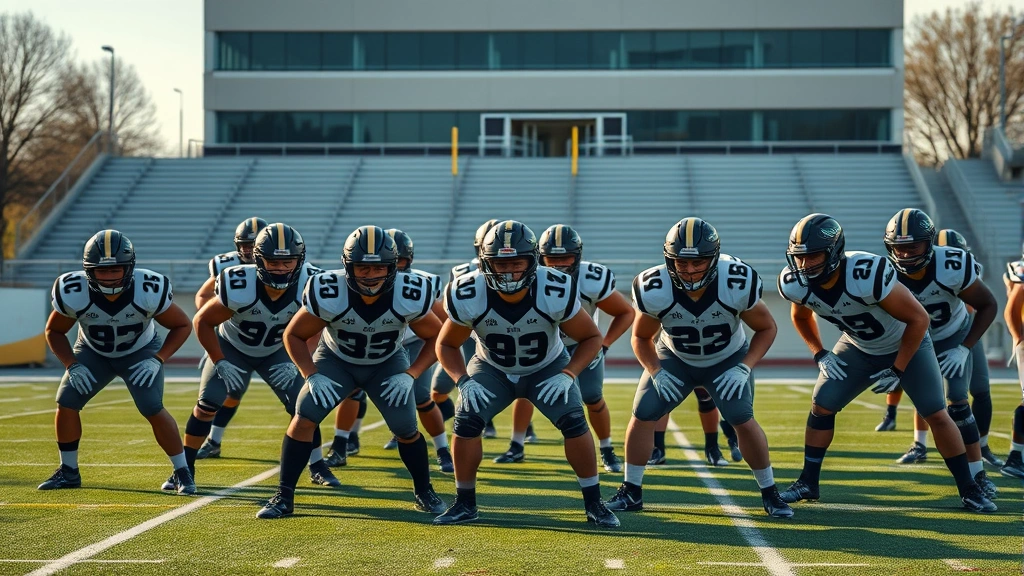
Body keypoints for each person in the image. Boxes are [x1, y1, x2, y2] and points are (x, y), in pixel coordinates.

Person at [777, 213, 995, 513]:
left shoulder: (865, 272)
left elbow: (919, 319)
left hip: (905, 343)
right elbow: (800, 316)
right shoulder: (795, 283)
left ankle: (969, 488)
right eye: (799, 257)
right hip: (858, 346)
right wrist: (820, 352)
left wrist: (898, 367)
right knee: (822, 404)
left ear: (834, 252)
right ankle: (807, 482)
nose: (805, 265)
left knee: (936, 411)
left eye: (813, 256)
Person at [432, 220, 619, 527]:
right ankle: (464, 503)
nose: (509, 272)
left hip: (547, 367)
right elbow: (446, 344)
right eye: (499, 264)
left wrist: (569, 374)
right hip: (492, 367)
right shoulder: (468, 291)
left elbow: (591, 337)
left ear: (532, 262)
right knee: (466, 421)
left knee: (574, 420)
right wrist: (462, 381)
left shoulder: (554, 288)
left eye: (517, 263)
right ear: (484, 263)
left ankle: (594, 503)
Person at [606, 218, 791, 518]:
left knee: (741, 417)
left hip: (727, 359)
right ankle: (631, 491)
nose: (690, 270)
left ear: (714, 258)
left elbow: (767, 328)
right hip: (675, 358)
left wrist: (744, 367)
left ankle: (770, 493)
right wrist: (656, 370)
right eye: (681, 263)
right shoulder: (656, 288)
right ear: (670, 260)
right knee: (643, 411)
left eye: (699, 262)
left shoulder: (736, 282)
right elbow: (640, 337)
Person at [256, 226, 446, 519]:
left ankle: (424, 491)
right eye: (362, 268)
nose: (370, 276)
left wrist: (411, 372)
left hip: (386, 363)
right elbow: (293, 335)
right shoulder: (329, 289)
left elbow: (439, 337)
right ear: (348, 266)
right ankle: (284, 496)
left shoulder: (410, 292)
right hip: (336, 360)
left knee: (406, 429)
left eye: (378, 268)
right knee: (304, 416)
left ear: (392, 267)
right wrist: (310, 373)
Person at [180, 224, 340, 490]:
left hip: (278, 351)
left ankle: (317, 465)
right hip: (233, 347)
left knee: (305, 407)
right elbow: (202, 321)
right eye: (273, 262)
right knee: (208, 403)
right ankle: (184, 469)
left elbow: (319, 325)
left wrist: (298, 360)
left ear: (299, 260)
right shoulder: (238, 282)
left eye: (287, 261)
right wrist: (218, 358)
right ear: (257, 259)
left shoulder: (311, 283)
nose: (280, 268)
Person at [41, 230, 195, 494]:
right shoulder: (74, 291)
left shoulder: (148, 289)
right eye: (102, 271)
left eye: (117, 270)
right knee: (66, 402)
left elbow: (182, 325)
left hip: (140, 351)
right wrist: (71, 363)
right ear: (88, 270)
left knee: (151, 406)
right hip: (93, 352)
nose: (110, 277)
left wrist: (158, 359)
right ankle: (68, 471)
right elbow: (53, 331)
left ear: (130, 267)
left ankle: (183, 472)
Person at [193, 216, 269, 459]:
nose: (248, 249)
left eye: (254, 244)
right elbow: (203, 295)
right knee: (222, 392)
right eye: (245, 245)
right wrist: (220, 317)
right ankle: (213, 441)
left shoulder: (282, 264)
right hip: (234, 339)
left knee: (295, 397)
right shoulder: (226, 266)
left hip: (271, 341)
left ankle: (338, 443)